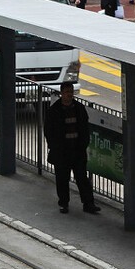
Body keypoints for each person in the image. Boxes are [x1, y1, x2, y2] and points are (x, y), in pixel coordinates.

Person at [44, 81, 100, 214]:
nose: (69, 95)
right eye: (67, 92)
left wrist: (83, 145)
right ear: (62, 93)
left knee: (82, 178)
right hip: (62, 151)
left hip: (77, 150)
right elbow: (48, 131)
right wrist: (54, 147)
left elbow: (85, 129)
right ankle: (64, 203)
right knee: (62, 178)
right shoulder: (54, 111)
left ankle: (88, 204)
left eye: (71, 92)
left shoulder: (79, 108)